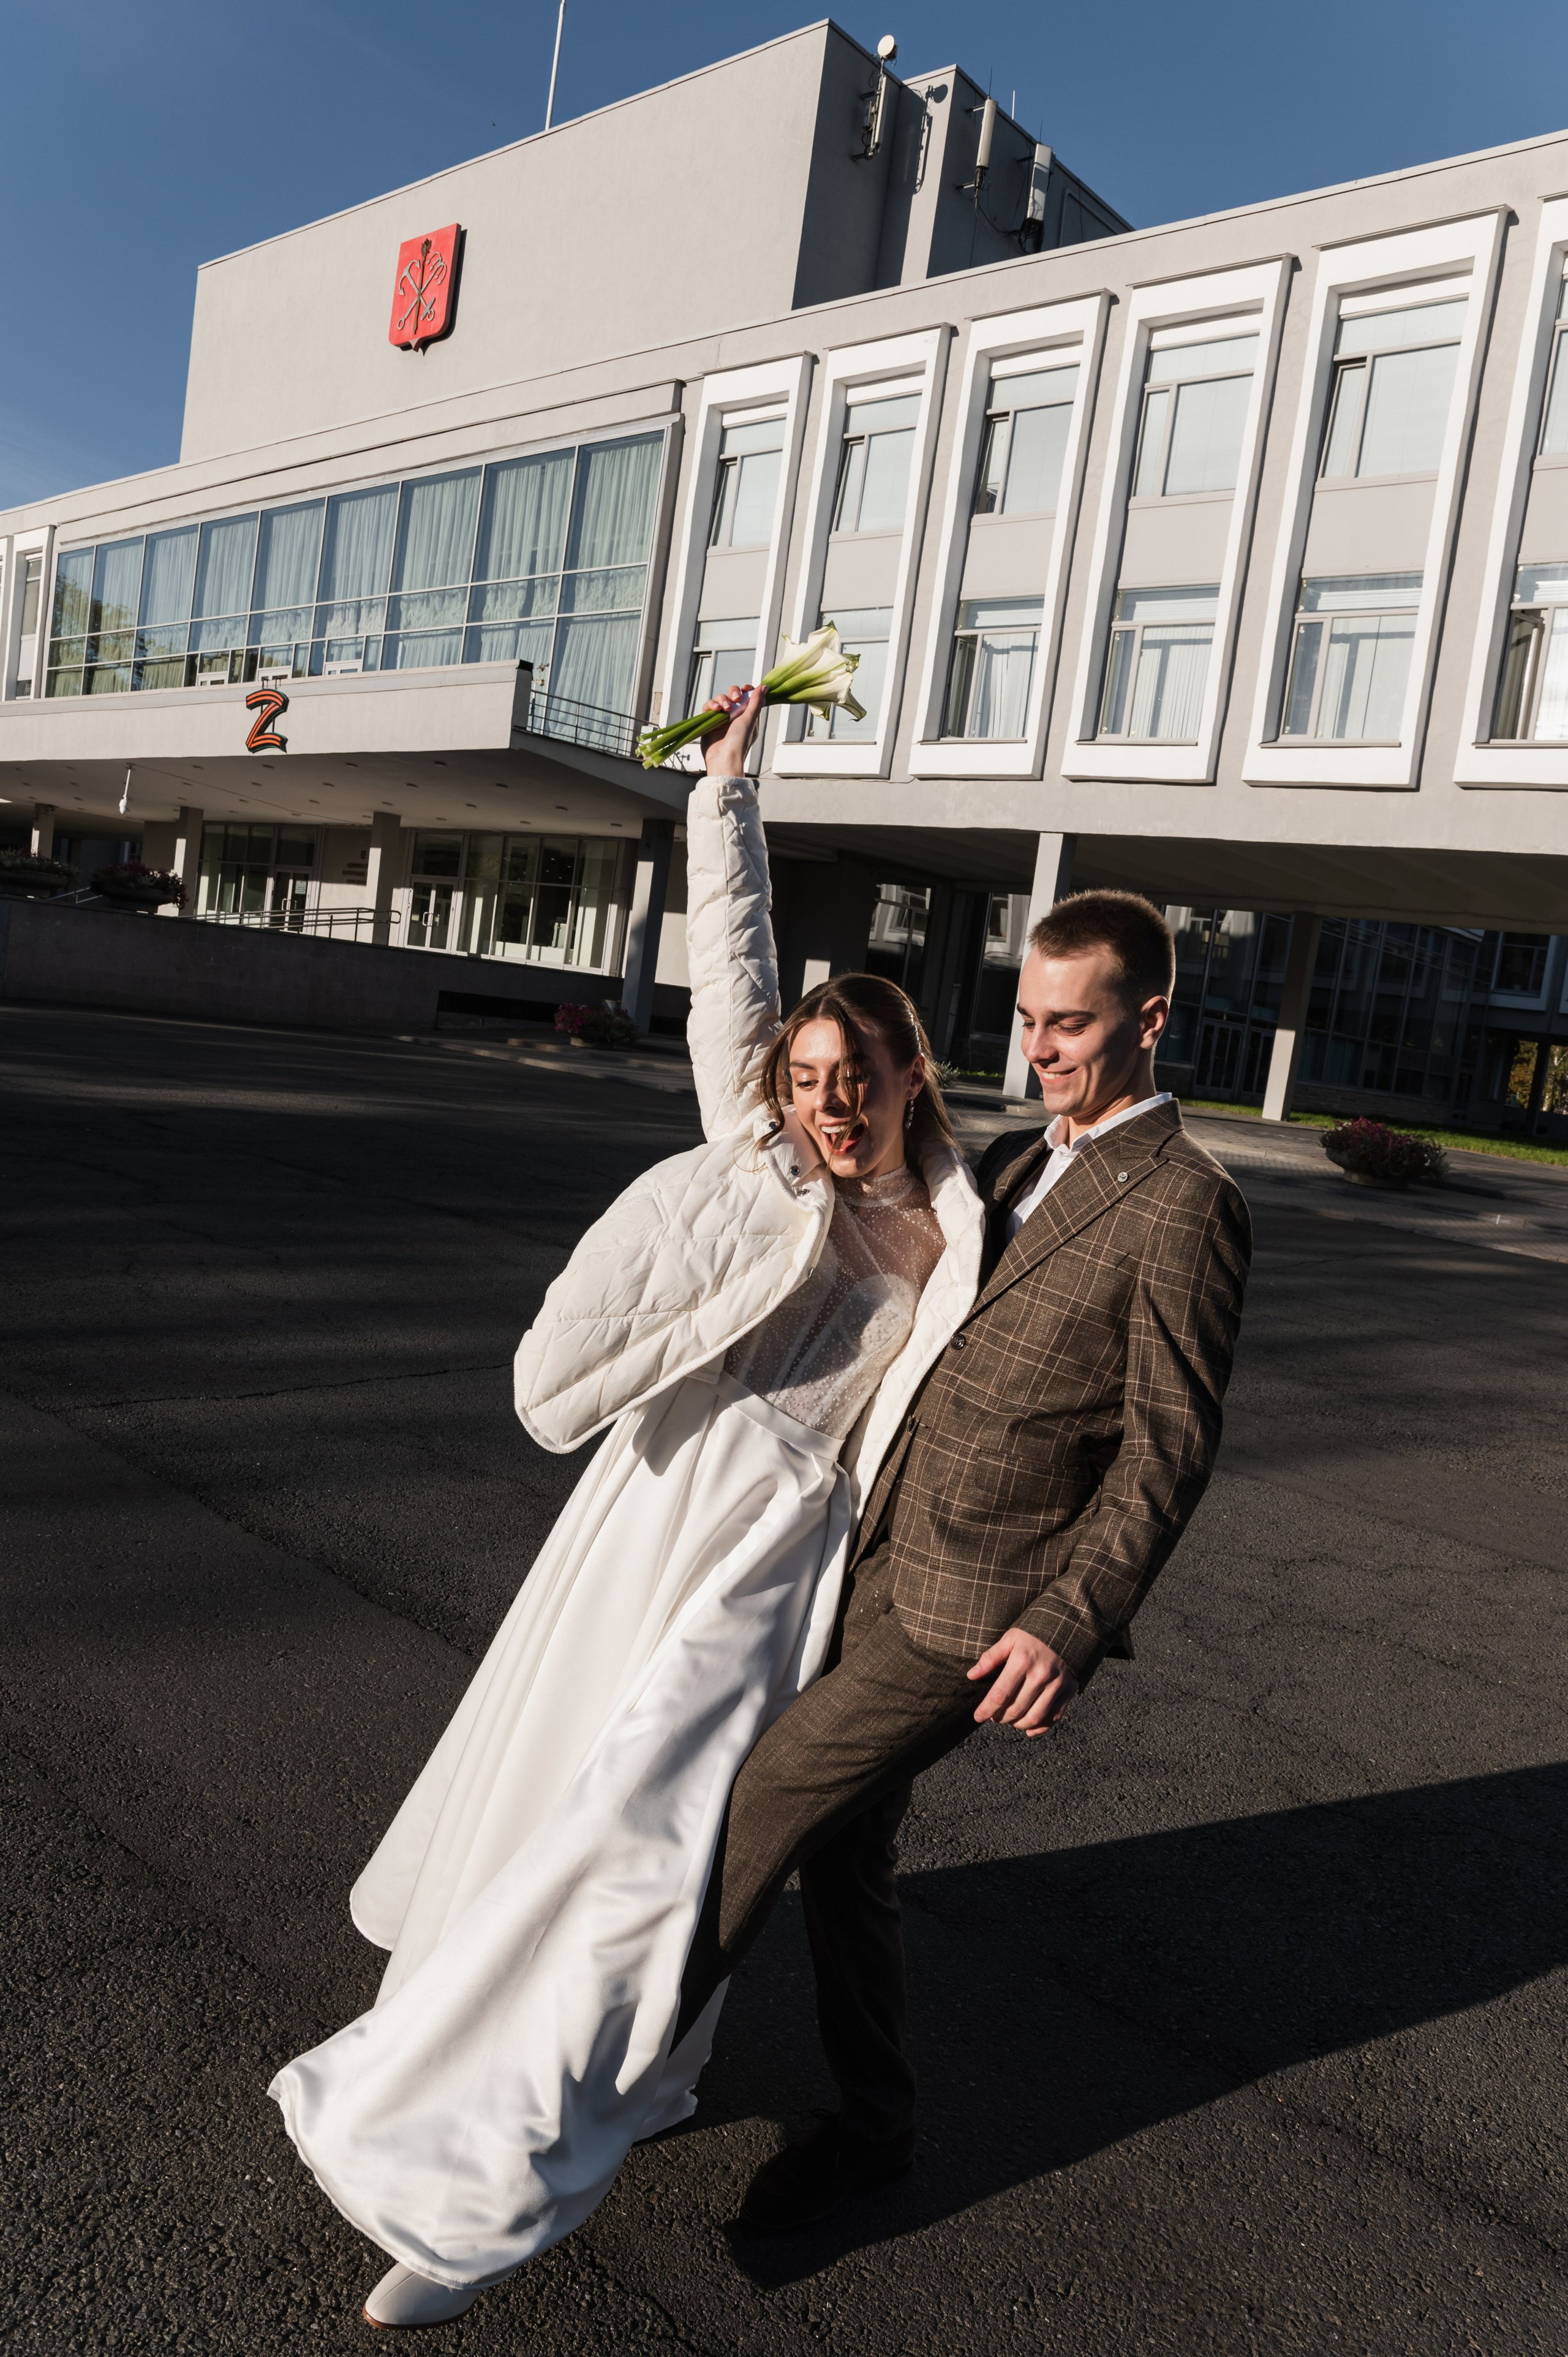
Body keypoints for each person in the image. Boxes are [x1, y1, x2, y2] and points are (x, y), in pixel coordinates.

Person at [267, 684, 986, 2328]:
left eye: (853, 1075)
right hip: (651, 1499)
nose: (824, 1101)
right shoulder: (765, 1158)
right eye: (803, 1076)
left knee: (650, 1838)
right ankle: (492, 2064)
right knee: (553, 1783)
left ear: (908, 1073)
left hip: (780, 1557)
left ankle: (482, 2191)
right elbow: (730, 956)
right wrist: (727, 792)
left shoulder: (965, 1233)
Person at [673, 834, 1253, 2233]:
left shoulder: (1187, 1205)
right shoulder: (1001, 1162)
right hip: (872, 1559)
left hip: (968, 1612)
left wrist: (1065, 1618)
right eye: (1028, 1016)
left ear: (1148, 1019)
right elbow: (821, 1109)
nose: (1042, 1046)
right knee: (845, 1848)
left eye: (1073, 1022)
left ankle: (564, 2078)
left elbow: (1165, 1442)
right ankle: (875, 2123)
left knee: (762, 1797)